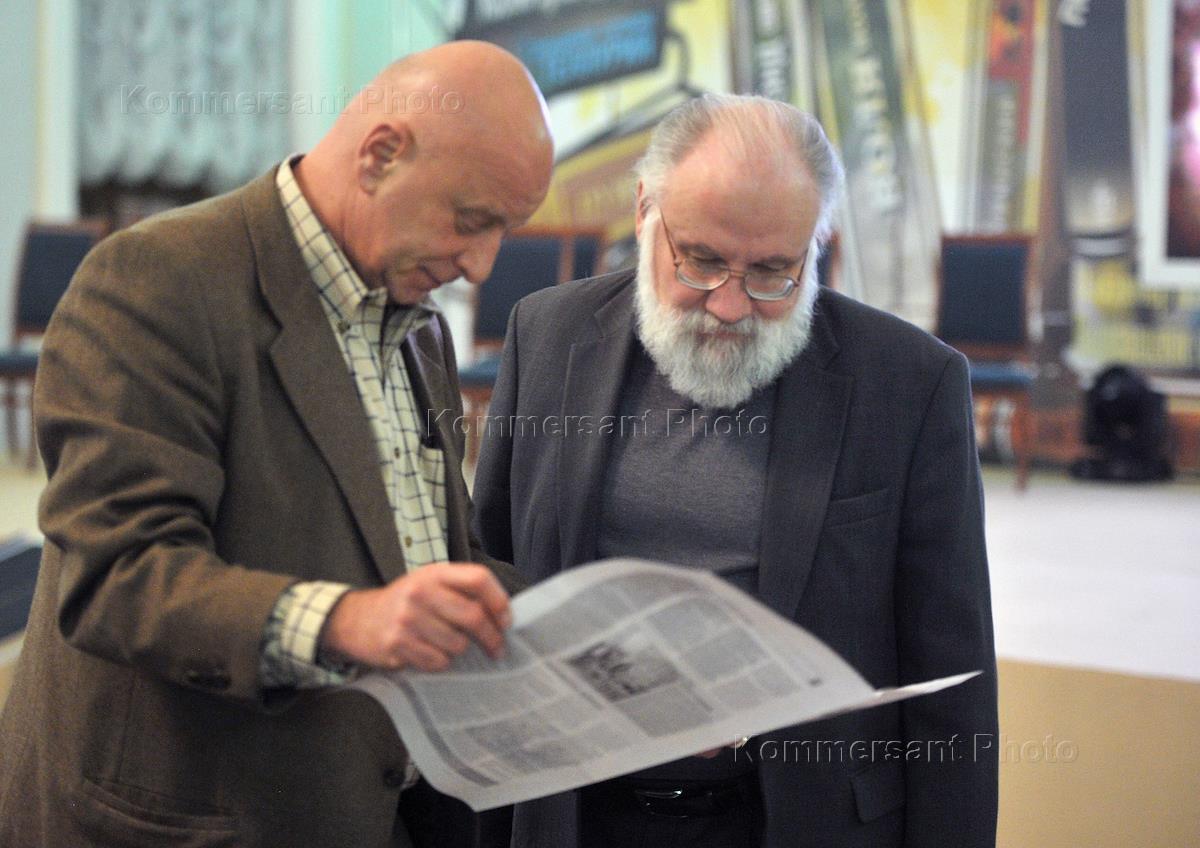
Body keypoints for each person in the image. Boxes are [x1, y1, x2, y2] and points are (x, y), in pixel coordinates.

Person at [0, 41, 553, 848]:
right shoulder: (158, 280)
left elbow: (425, 554)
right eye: (471, 221)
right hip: (196, 818)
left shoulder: (418, 329)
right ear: (380, 155)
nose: (480, 264)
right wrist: (346, 621)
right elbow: (120, 576)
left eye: (505, 230)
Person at [472, 93, 999, 848]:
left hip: (799, 819)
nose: (729, 305)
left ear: (818, 244)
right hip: (574, 811)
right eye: (703, 260)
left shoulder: (910, 383)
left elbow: (953, 676)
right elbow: (492, 574)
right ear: (644, 209)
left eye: (773, 272)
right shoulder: (548, 333)